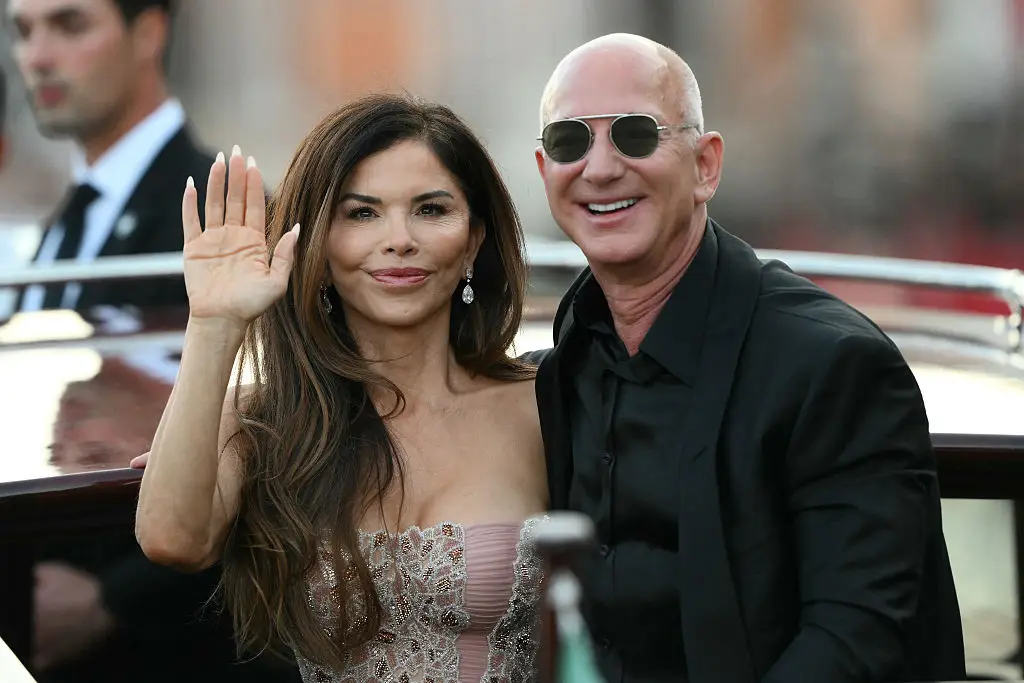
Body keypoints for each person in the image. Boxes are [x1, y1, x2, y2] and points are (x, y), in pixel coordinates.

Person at [528, 33, 966, 682]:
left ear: (706, 165)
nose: (599, 168)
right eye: (570, 142)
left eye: (635, 135)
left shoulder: (833, 367)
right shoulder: (561, 367)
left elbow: (856, 643)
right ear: (545, 172)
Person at [132, 94, 548, 683]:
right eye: (361, 213)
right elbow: (173, 540)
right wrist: (215, 322)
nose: (399, 239)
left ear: (474, 241)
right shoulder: (267, 419)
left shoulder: (540, 405)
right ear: (318, 248)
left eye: (431, 209)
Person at [8, 0, 214, 315]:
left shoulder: (220, 215)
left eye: (70, 26)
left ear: (148, 34)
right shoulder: (69, 216)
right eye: (24, 31)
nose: (37, 58)